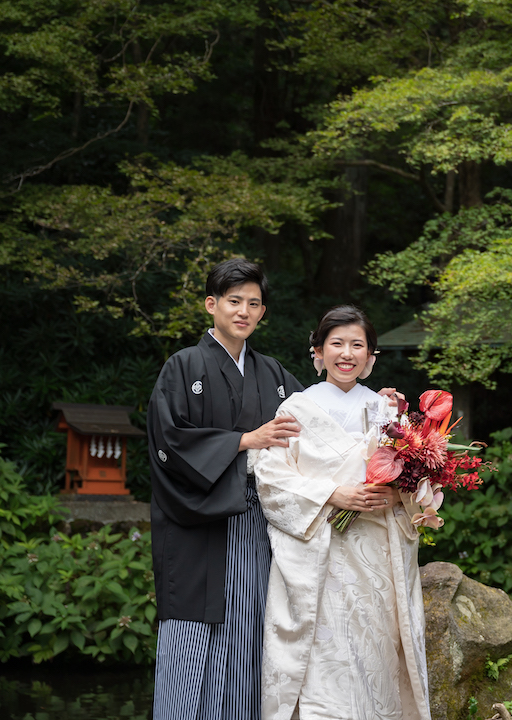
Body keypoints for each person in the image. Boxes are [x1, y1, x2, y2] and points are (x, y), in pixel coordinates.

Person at [254, 305, 431, 720]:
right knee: (323, 660)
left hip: (378, 558)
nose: (346, 353)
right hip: (321, 552)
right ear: (318, 351)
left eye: (357, 345)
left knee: (376, 656)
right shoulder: (295, 409)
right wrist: (333, 493)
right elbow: (271, 477)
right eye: (336, 343)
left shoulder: (391, 415)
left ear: (371, 358)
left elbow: (417, 486)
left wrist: (397, 498)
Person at [147, 258, 304, 720]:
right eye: (234, 301)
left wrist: (375, 408)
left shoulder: (273, 374)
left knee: (248, 635)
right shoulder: (183, 366)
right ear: (211, 305)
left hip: (257, 524)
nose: (244, 312)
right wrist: (243, 441)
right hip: (198, 523)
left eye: (254, 304)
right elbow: (168, 441)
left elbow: (317, 418)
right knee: (191, 638)